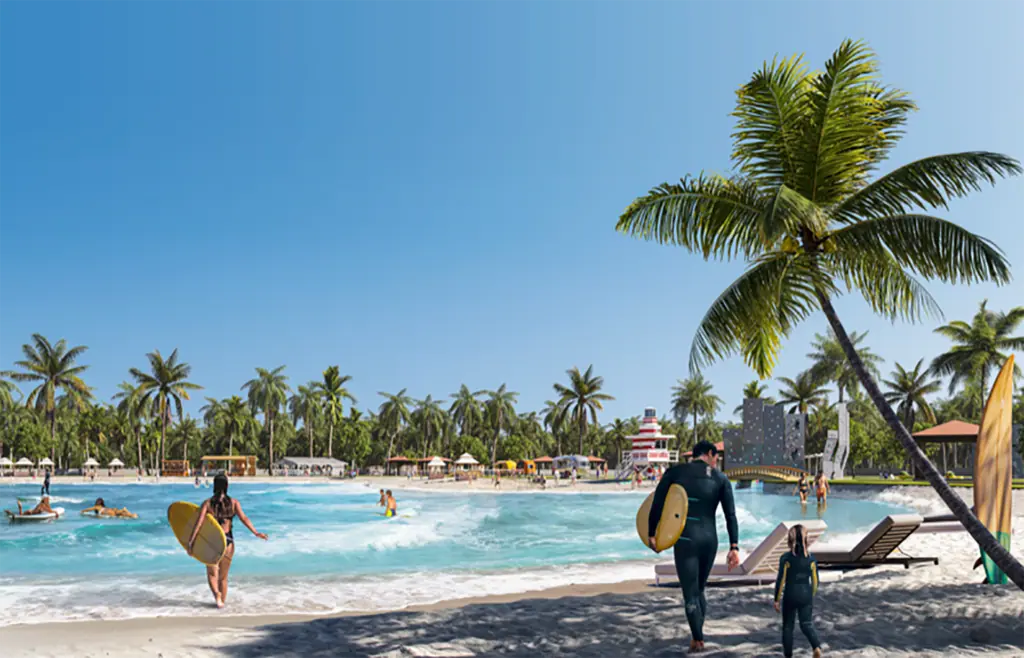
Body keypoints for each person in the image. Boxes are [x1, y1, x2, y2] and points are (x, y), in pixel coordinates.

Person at [649, 441, 739, 654]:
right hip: (710, 540)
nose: (716, 462)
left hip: (686, 540)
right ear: (709, 454)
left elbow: (658, 504)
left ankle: (698, 639)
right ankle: (697, 635)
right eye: (716, 458)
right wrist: (734, 546)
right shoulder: (721, 479)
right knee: (700, 590)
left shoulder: (675, 472)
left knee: (690, 593)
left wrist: (652, 534)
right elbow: (731, 515)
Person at [187, 474, 267, 608]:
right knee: (223, 578)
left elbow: (198, 524)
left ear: (214, 486)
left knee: (212, 574)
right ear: (227, 486)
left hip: (212, 543)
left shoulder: (207, 504)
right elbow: (244, 518)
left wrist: (191, 542)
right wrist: (255, 532)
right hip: (228, 541)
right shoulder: (234, 503)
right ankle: (221, 605)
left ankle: (217, 596)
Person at [773, 524, 823, 658]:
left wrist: (776, 599)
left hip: (790, 594)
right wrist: (810, 595)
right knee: (806, 623)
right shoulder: (811, 559)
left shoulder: (786, 558)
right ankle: (816, 646)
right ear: (807, 540)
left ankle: (788, 656)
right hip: (806, 594)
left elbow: (781, 580)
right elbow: (816, 581)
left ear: (790, 541)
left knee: (788, 627)